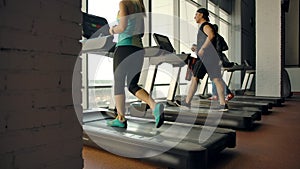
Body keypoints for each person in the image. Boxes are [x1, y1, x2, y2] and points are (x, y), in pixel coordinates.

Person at [107, 0, 164, 128]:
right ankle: (154, 106)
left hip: (124, 48)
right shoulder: (140, 7)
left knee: (119, 84)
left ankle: (120, 119)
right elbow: (142, 33)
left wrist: (112, 30)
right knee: (132, 85)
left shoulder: (124, 3)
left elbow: (122, 27)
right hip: (138, 50)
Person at [177, 8, 228, 111]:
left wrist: (203, 49)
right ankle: (223, 104)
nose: (194, 17)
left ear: (201, 15)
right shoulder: (205, 26)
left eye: (196, 14)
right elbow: (209, 40)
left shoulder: (205, 26)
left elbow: (211, 36)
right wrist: (198, 47)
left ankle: (187, 103)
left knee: (195, 78)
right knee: (216, 80)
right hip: (212, 57)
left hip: (206, 58)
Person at [209, 24, 234, 101]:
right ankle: (222, 93)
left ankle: (219, 94)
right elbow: (225, 47)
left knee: (215, 77)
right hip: (219, 58)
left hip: (215, 59)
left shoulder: (213, 37)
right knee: (216, 77)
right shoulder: (220, 37)